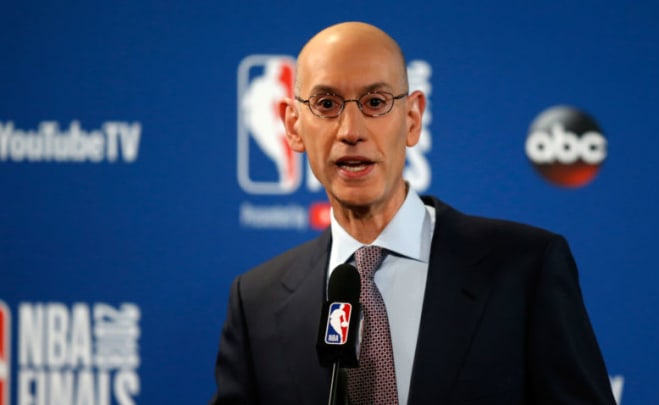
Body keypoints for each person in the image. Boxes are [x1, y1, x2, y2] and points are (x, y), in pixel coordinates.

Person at [210, 21, 616, 405]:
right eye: (327, 103)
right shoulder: (256, 301)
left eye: (374, 102)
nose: (351, 130)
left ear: (412, 118)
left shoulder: (525, 268)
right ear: (294, 126)